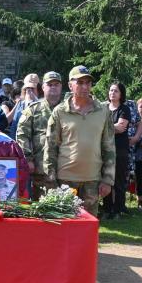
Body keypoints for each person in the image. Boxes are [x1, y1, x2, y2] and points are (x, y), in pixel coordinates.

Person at [46, 65, 115, 218]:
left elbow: (109, 147)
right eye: (80, 82)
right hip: (65, 180)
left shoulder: (103, 111)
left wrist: (108, 179)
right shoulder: (60, 112)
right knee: (64, 227)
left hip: (92, 180)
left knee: (88, 229)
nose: (85, 86)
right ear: (71, 85)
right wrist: (51, 179)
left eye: (88, 83)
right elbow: (50, 147)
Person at [16, 71, 65, 200]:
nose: (53, 87)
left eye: (56, 84)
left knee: (68, 207)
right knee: (42, 206)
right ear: (43, 87)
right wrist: (28, 159)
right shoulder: (33, 110)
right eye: (50, 84)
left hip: (66, 166)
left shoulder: (68, 109)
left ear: (61, 87)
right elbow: (22, 135)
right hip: (40, 167)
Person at [102, 82, 137, 218]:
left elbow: (121, 128)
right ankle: (107, 209)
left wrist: (104, 128)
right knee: (106, 179)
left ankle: (118, 209)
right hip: (104, 149)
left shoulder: (124, 109)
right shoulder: (103, 108)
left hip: (120, 149)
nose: (112, 93)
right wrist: (111, 127)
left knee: (119, 180)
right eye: (111, 90)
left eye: (116, 91)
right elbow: (113, 127)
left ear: (121, 94)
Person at [9, 73, 42, 138]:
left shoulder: (43, 104)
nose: (29, 91)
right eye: (27, 88)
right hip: (20, 141)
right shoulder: (20, 104)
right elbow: (14, 126)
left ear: (38, 89)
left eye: (32, 88)